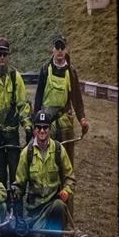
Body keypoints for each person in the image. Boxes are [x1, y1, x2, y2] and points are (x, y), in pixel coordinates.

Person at [13, 107, 75, 237]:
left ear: (49, 129)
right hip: (35, 210)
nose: (42, 131)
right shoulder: (26, 153)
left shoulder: (59, 150)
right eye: (39, 127)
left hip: (52, 205)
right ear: (34, 129)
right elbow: (19, 183)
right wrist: (15, 193)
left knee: (60, 206)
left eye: (45, 127)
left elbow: (70, 177)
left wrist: (66, 190)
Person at [0, 37, 31, 185]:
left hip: (12, 134)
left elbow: (22, 105)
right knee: (0, 176)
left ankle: (14, 199)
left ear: (9, 57)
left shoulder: (16, 78)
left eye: (5, 54)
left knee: (15, 175)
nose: (2, 57)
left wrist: (28, 126)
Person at [33, 35, 89, 166]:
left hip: (65, 122)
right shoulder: (45, 69)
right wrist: (35, 124)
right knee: (46, 159)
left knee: (67, 161)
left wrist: (82, 119)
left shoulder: (71, 72)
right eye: (57, 47)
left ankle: (67, 180)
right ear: (52, 49)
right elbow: (38, 98)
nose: (59, 50)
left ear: (66, 50)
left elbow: (77, 99)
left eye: (62, 47)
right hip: (46, 123)